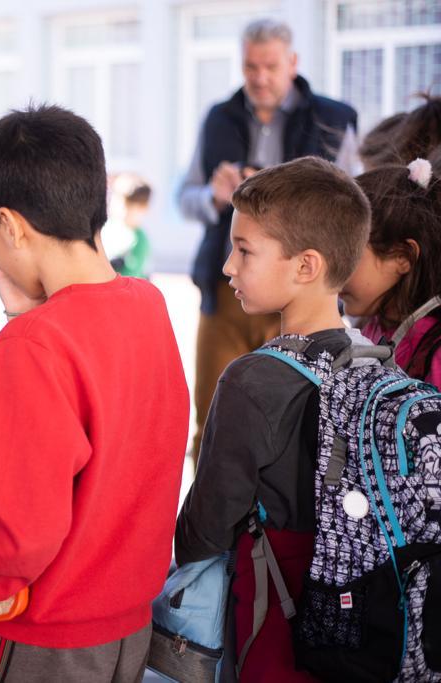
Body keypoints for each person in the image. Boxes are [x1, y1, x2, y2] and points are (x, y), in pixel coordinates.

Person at [0, 106, 189, 682]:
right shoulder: (147, 304)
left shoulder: (32, 347)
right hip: (128, 631)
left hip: (43, 641)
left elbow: (18, 539)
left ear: (10, 225)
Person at [175, 156, 372, 682]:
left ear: (306, 266)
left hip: (273, 621)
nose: (227, 267)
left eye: (244, 251)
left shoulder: (252, 381)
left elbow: (204, 531)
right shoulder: (377, 360)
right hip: (360, 627)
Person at [178, 19, 359, 465]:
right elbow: (186, 196)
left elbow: (356, 203)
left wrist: (280, 200)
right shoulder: (219, 117)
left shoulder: (334, 118)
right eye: (250, 66)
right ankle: (212, 519)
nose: (259, 77)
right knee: (214, 414)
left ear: (292, 63)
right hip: (227, 289)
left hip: (302, 291)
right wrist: (216, 198)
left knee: (301, 419)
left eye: (270, 66)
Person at [342, 158, 441, 386]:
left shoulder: (434, 352)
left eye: (349, 255)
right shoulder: (371, 327)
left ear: (402, 257)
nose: (335, 269)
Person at [102, 173, 153, 278]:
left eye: (130, 205)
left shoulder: (139, 240)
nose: (123, 209)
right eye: (118, 201)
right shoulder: (106, 230)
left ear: (144, 207)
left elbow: (131, 276)